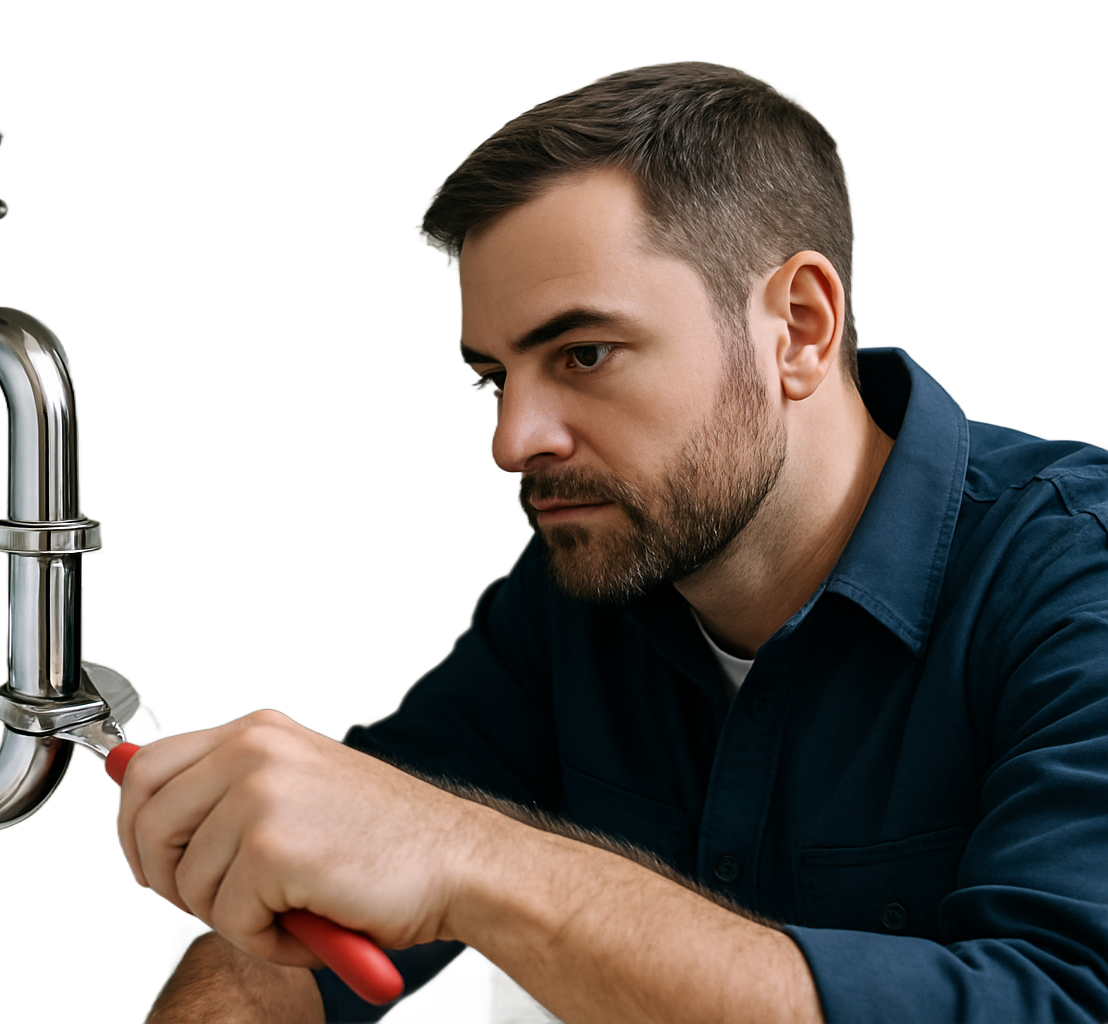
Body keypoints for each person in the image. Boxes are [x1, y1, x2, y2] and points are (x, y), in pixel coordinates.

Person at [123, 60, 1107, 1023]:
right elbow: (315, 905)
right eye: (491, 379)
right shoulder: (585, 584)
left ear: (799, 328)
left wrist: (473, 859)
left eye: (584, 353)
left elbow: (1059, 1001)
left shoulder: (1075, 577)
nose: (512, 442)